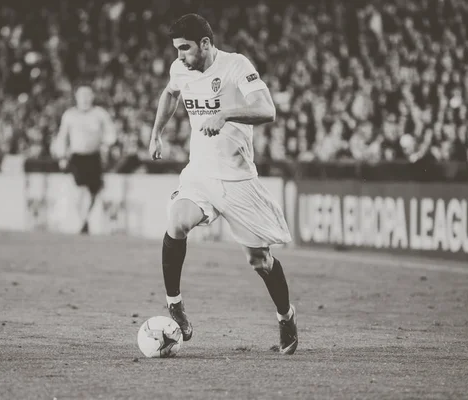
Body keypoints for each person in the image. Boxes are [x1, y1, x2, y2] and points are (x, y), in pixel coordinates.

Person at [148, 14, 298, 354]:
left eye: (185, 49)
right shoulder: (180, 69)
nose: (180, 57)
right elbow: (170, 94)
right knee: (177, 221)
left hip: (236, 179)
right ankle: (175, 304)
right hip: (200, 173)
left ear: (205, 43)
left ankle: (286, 317)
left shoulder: (235, 66)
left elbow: (267, 109)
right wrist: (156, 133)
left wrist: (225, 113)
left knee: (260, 261)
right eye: (176, 50)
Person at [52, 83, 115, 234]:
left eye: (88, 95)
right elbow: (62, 136)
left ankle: (85, 218)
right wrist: (61, 155)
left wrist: (107, 144)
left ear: (93, 97)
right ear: (76, 97)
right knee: (79, 189)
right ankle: (82, 220)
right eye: (82, 95)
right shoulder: (70, 115)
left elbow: (110, 132)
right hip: (77, 156)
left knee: (94, 191)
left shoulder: (100, 114)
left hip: (94, 156)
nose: (85, 98)